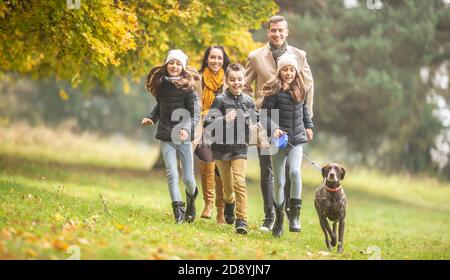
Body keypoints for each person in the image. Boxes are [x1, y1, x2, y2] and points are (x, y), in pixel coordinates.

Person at [244, 15, 315, 232]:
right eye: (273, 30)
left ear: (287, 32)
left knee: (290, 173)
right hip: (265, 120)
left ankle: (290, 216)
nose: (277, 33)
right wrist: (252, 114)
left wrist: (307, 121)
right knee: (268, 170)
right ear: (268, 32)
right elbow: (244, 86)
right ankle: (270, 218)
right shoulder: (256, 57)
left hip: (293, 123)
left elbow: (308, 86)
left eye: (280, 30)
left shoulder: (299, 56)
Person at [141, 49, 200, 224]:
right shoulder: (162, 85)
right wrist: (152, 118)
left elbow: (195, 114)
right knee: (172, 174)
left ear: (183, 67)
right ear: (166, 64)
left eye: (178, 63)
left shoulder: (188, 88)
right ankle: (178, 212)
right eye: (171, 62)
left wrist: (187, 129)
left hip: (183, 137)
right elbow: (160, 106)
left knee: (188, 178)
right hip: (166, 136)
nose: (174, 66)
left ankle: (191, 201)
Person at [260, 53, 314, 237]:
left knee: (295, 172)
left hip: (297, 139)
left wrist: (308, 126)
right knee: (279, 181)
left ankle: (295, 216)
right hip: (278, 141)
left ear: (296, 71)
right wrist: (274, 129)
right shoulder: (273, 90)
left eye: (292, 69)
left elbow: (304, 110)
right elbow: (263, 115)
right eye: (285, 69)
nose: (289, 72)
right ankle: (279, 220)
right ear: (280, 71)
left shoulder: (301, 88)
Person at [203, 63, 258, 235]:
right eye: (232, 79)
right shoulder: (220, 100)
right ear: (227, 81)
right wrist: (224, 119)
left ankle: (242, 220)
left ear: (244, 80)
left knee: (239, 182)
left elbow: (256, 120)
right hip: (220, 148)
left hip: (240, 148)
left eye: (240, 79)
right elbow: (207, 125)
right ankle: (229, 201)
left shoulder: (249, 101)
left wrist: (256, 127)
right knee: (228, 188)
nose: (236, 83)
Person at [195, 46, 230, 224]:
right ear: (207, 59)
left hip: (224, 130)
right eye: (212, 57)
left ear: (224, 60)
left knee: (221, 170)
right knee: (206, 162)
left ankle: (221, 211)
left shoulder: (229, 81)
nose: (216, 61)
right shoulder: (199, 80)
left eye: (219, 58)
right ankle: (208, 203)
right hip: (203, 128)